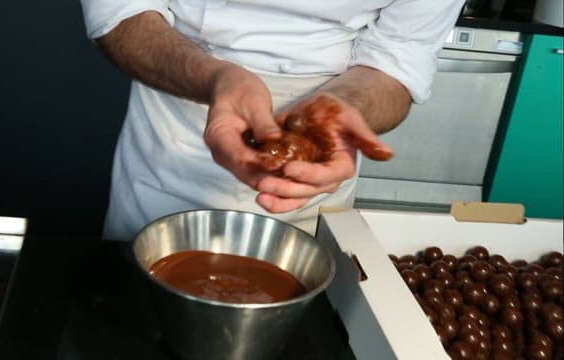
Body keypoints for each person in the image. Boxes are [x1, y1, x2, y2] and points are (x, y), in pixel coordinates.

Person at [80, 1, 465, 241]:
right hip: (175, 125)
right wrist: (215, 80)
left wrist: (340, 109)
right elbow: (121, 12)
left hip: (320, 143)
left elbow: (401, 53)